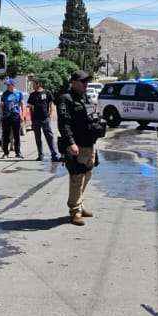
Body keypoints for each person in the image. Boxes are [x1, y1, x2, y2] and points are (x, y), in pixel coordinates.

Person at [56, 70, 105, 225]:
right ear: (73, 83)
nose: (86, 84)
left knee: (87, 174)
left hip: (89, 143)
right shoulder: (66, 99)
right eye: (83, 82)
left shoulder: (85, 97)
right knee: (77, 177)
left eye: (87, 82)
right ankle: (75, 210)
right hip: (77, 145)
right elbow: (64, 124)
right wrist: (71, 143)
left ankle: (79, 204)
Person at [28, 78, 61, 161]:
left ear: (38, 84)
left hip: (45, 118)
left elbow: (51, 103)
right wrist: (31, 119)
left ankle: (54, 154)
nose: (32, 86)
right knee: (38, 138)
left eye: (33, 84)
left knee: (49, 136)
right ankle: (40, 155)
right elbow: (30, 107)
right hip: (36, 119)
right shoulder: (32, 95)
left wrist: (50, 113)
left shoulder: (47, 93)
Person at [0, 78, 25, 158]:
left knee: (16, 135)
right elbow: (2, 105)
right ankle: (5, 153)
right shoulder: (5, 94)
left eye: (8, 85)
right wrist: (1, 115)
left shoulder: (19, 93)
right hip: (6, 116)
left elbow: (22, 104)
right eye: (7, 85)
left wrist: (22, 115)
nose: (7, 86)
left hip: (15, 115)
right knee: (5, 135)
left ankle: (18, 152)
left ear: (13, 85)